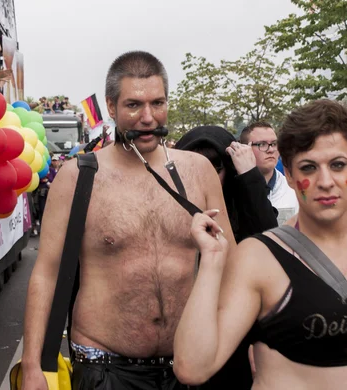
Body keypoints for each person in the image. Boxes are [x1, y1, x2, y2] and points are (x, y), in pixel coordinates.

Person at [174, 100, 347, 389]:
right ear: (290, 176)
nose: (326, 181)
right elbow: (193, 367)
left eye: (337, 164)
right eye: (309, 168)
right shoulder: (260, 257)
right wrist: (212, 260)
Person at [21, 51, 234, 390]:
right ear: (111, 106)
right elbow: (46, 273)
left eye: (158, 103)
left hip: (188, 365)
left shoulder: (199, 171)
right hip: (104, 367)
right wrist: (33, 365)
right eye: (134, 105)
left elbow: (231, 268)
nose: (148, 117)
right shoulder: (79, 175)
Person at [175, 125, 279, 389]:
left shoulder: (241, 204)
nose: (204, 175)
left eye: (214, 166)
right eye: (194, 164)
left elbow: (270, 240)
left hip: (232, 342)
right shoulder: (169, 203)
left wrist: (249, 175)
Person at [240, 122, 299, 225]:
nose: (271, 150)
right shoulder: (232, 192)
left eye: (274, 144)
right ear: (244, 149)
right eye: (262, 144)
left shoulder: (293, 190)